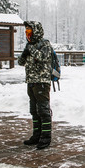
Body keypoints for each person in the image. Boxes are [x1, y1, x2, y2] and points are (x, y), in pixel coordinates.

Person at [18, 21, 53, 150]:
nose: (27, 32)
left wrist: (30, 49)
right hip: (31, 81)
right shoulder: (29, 45)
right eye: (26, 29)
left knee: (43, 110)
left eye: (29, 29)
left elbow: (43, 57)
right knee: (34, 110)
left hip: (42, 82)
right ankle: (36, 135)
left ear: (36, 30)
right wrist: (24, 54)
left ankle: (46, 137)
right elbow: (21, 62)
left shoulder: (45, 44)